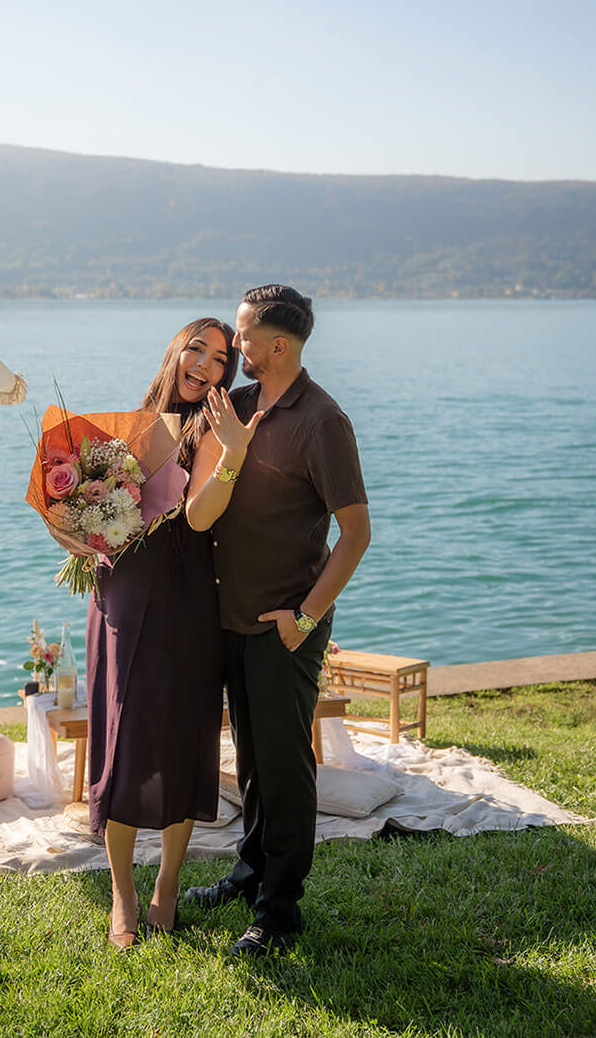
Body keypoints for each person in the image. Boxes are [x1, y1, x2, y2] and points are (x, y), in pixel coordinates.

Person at [184, 285, 370, 957]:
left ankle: (280, 912)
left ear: (279, 347)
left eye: (243, 338)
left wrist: (305, 615)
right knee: (255, 760)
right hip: (230, 617)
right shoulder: (234, 404)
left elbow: (356, 534)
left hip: (285, 624)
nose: (236, 348)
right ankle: (250, 871)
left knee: (285, 767)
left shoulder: (322, 421)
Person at [87, 317, 237, 948]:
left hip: (186, 597)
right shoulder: (133, 422)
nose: (205, 364)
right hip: (122, 592)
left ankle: (167, 886)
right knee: (123, 745)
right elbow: (98, 504)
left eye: (221, 359)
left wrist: (233, 451)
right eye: (197, 349)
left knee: (181, 740)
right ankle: (122, 893)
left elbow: (200, 517)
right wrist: (84, 520)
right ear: (176, 352)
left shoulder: (214, 429)